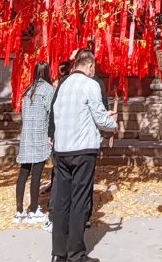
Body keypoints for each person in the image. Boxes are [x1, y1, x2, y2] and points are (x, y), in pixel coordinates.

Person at [50, 48, 117, 262]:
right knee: (80, 200)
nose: (93, 72)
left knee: (62, 201)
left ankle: (59, 252)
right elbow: (100, 117)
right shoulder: (91, 85)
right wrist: (112, 123)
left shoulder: (63, 85)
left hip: (62, 149)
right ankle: (76, 253)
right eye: (93, 68)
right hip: (82, 149)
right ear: (89, 66)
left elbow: (57, 114)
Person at [16, 61, 55, 229]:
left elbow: (23, 112)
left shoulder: (28, 90)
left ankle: (19, 210)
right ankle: (33, 209)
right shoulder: (48, 90)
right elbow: (52, 112)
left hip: (27, 135)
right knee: (37, 173)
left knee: (24, 172)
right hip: (40, 135)